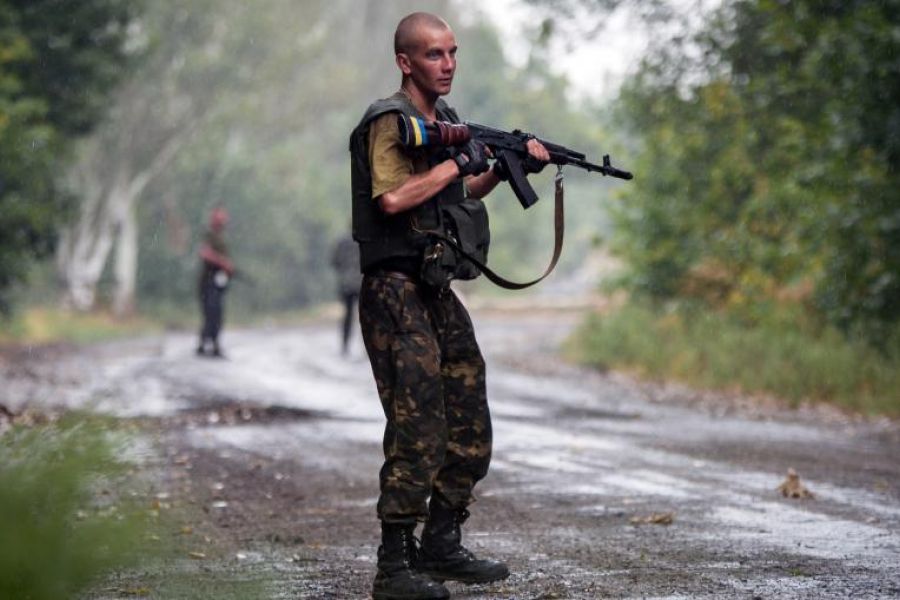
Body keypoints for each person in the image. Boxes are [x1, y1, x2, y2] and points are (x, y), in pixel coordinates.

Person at [349, 12, 550, 600]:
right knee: (418, 424)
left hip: (435, 285)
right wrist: (453, 165)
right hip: (393, 286)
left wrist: (513, 166)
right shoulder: (390, 121)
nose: (448, 64)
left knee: (469, 413)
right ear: (405, 62)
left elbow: (458, 190)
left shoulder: (453, 124)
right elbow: (392, 199)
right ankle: (394, 567)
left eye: (453, 52)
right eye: (434, 54)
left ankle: (441, 543)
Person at [196, 206, 234, 358]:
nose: (223, 219)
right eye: (220, 216)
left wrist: (228, 268)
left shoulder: (221, 237)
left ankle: (213, 343)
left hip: (218, 283)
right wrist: (223, 263)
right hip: (208, 282)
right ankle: (205, 343)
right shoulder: (209, 235)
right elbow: (204, 253)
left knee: (217, 313)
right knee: (211, 313)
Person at [331, 233, 361, 356]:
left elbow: (334, 262)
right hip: (362, 283)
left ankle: (345, 346)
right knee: (366, 316)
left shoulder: (342, 242)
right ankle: (368, 347)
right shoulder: (365, 240)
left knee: (348, 316)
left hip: (347, 283)